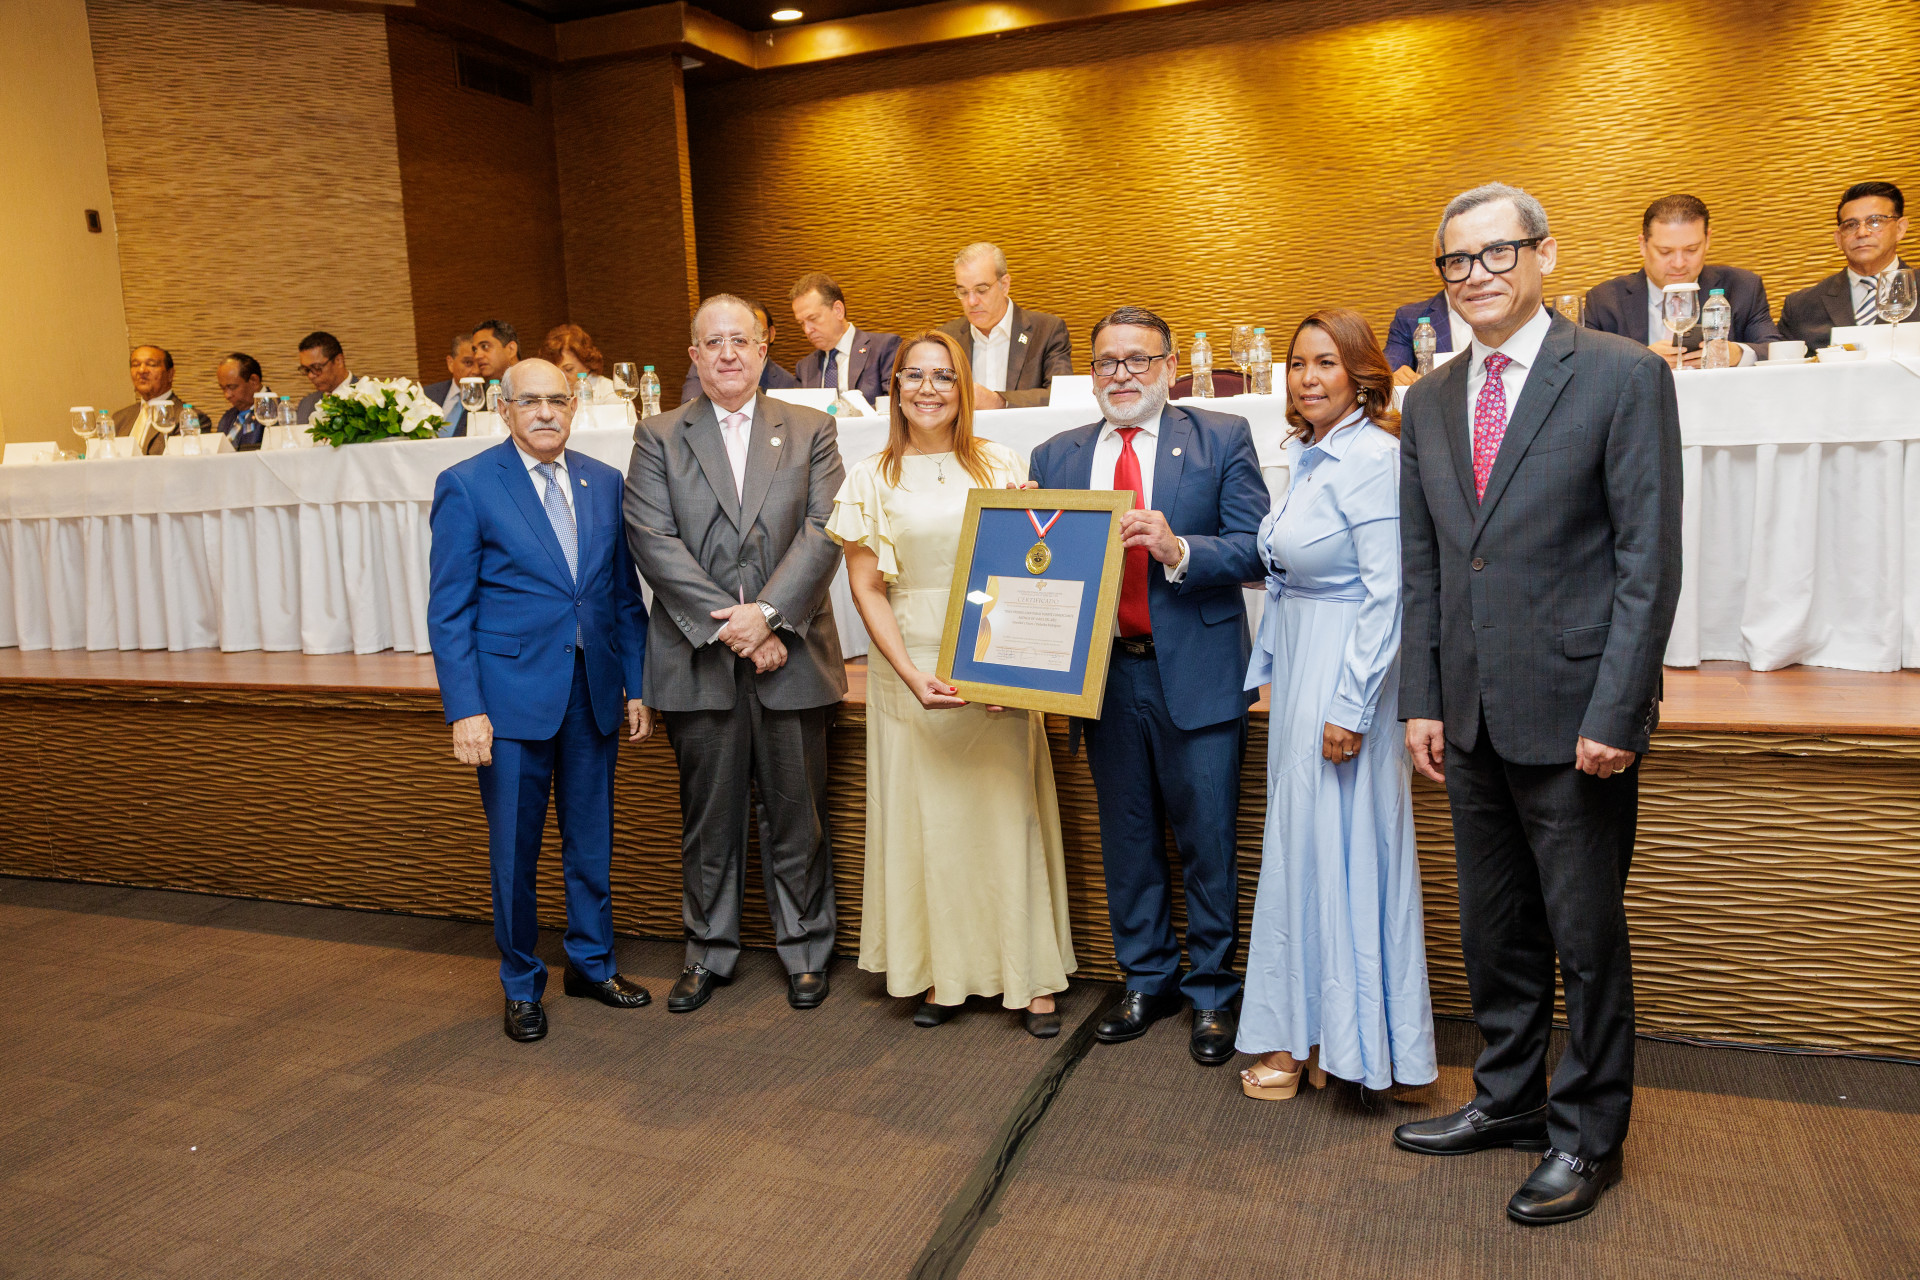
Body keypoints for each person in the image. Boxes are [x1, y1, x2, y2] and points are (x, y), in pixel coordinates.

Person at [1394, 183, 1683, 1226]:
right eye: (1455, 260)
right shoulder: (1429, 399)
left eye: (1496, 252)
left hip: (1576, 714)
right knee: (1495, 929)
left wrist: (1618, 709)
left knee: (1585, 937)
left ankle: (1587, 1134)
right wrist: (1422, 698)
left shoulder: (1622, 374)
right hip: (1468, 713)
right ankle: (1509, 1098)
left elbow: (1649, 561)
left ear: (1546, 254)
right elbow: (1426, 564)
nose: (1474, 274)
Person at [1027, 307, 1268, 1067]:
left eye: (1138, 360)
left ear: (1168, 367)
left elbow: (1257, 549)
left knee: (1208, 840)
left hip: (1196, 670)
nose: (1121, 374)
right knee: (1127, 837)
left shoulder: (1222, 437)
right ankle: (1147, 977)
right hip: (1102, 676)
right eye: (1107, 362)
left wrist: (1179, 548)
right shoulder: (1056, 455)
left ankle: (1212, 991)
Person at [826, 330, 1075, 1037]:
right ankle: (941, 971)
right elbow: (866, 588)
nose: (928, 389)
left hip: (994, 660)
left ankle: (1030, 975)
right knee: (928, 823)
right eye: (914, 376)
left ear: (963, 388)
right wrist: (909, 674)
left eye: (943, 376)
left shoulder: (1002, 464)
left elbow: (1034, 571)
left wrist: (1014, 671)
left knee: (1006, 815)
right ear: (895, 387)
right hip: (909, 663)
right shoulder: (870, 476)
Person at [624, 294, 847, 1015]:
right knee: (708, 820)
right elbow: (652, 540)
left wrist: (770, 617)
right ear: (693, 355)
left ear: (762, 350)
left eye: (740, 341)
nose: (727, 353)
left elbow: (826, 528)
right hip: (698, 659)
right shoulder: (658, 435)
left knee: (798, 815)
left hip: (794, 653)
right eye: (712, 342)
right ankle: (707, 951)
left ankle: (806, 950)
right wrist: (736, 628)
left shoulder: (811, 428)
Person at [1235, 308, 1437, 1101]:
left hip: (1350, 673)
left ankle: (1349, 1047)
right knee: (1306, 853)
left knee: (1344, 852)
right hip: (1304, 668)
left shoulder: (1372, 458)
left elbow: (1391, 595)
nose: (1308, 377)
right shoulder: (1312, 453)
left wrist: (1350, 708)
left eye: (1326, 363)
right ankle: (1316, 1035)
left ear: (1361, 375)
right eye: (1297, 363)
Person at [426, 358, 654, 1043]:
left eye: (558, 399)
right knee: (515, 854)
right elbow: (449, 611)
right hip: (508, 703)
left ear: (575, 405)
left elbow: (622, 597)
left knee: (591, 843)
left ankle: (591, 964)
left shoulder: (603, 481)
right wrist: (465, 709)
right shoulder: (467, 484)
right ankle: (522, 984)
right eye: (530, 401)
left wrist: (637, 685)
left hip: (593, 692)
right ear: (504, 410)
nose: (546, 412)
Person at [1582, 194, 1781, 366]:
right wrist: (1639, 361)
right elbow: (1586, 365)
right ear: (1643, 245)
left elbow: (1776, 351)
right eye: (1665, 252)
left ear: (1708, 240)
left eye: (1691, 250)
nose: (1679, 263)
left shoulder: (1742, 288)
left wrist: (1737, 354)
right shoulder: (1605, 300)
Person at [936, 242, 1074, 408]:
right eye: (963, 292)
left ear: (1005, 285)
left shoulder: (1047, 331)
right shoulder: (947, 337)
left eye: (981, 290)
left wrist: (999, 401)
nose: (971, 301)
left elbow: (1062, 396)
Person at [1779, 181, 1912, 351]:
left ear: (1900, 229)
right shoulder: (1801, 306)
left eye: (1875, 221)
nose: (1862, 232)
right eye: (1851, 225)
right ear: (1838, 238)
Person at [790, 272, 899, 404]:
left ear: (838, 310)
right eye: (801, 323)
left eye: (813, 318)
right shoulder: (805, 367)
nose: (807, 330)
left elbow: (893, 406)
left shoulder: (884, 349)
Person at [1386, 230, 1473, 380]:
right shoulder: (1409, 319)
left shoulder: (1508, 309)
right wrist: (1396, 378)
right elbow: (1388, 372)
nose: (1465, 268)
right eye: (1456, 260)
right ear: (1436, 267)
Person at [681, 301, 799, 403]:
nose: (728, 355)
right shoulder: (705, 365)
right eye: (739, 339)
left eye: (760, 334)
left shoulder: (787, 382)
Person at [110, 345, 208, 454]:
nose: (141, 370)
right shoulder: (119, 418)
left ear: (170, 374)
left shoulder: (189, 417)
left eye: (151, 364)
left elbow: (183, 461)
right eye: (136, 365)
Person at [542, 323, 617, 403]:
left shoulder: (609, 392)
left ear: (587, 364)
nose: (563, 378)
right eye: (557, 372)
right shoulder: (546, 393)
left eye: (569, 369)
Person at [293, 331, 357, 424]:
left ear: (339, 361)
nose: (310, 375)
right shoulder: (306, 404)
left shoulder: (368, 397)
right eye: (306, 369)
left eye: (316, 368)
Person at [422, 332, 476, 438]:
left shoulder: (488, 399)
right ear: (450, 363)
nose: (475, 371)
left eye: (479, 364)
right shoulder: (427, 395)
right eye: (468, 363)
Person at [213, 353, 270, 451]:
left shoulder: (274, 413)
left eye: (232, 387)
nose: (227, 395)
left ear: (254, 381)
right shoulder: (227, 418)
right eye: (223, 388)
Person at [471, 319, 520, 384]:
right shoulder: (481, 387)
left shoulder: (531, 382)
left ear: (511, 349)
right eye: (475, 350)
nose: (477, 356)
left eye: (485, 346)